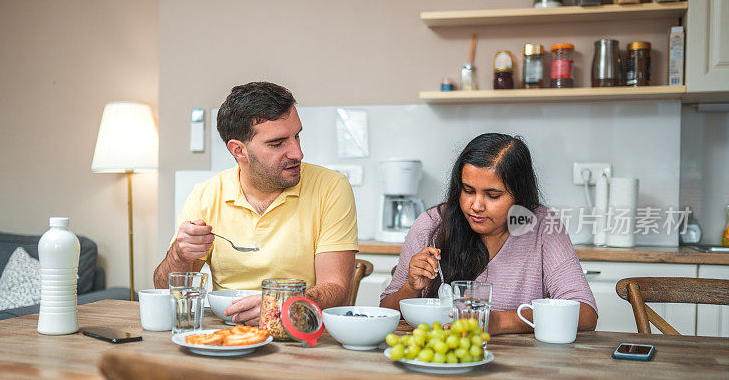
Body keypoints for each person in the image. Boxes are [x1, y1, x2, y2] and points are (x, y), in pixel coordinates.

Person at [154, 82, 358, 325]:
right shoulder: (206, 195)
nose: (297, 153)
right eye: (277, 143)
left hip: (300, 334)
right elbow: (165, 288)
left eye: (297, 136)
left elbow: (336, 289)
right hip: (229, 333)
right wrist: (181, 254)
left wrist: (280, 305)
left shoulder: (331, 187)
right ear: (239, 151)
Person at [380, 133, 597, 335]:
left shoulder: (543, 227)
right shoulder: (431, 224)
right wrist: (410, 287)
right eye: (468, 191)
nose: (476, 205)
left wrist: (500, 321)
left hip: (522, 367)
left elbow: (586, 314)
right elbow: (386, 310)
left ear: (519, 197)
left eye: (492, 195)